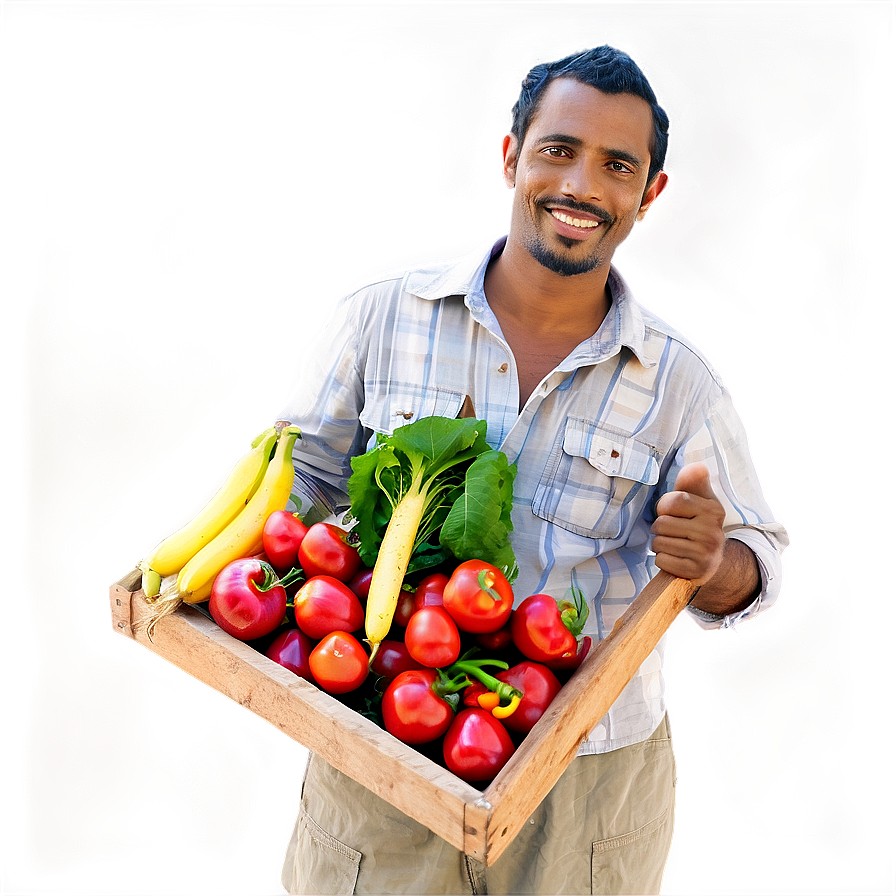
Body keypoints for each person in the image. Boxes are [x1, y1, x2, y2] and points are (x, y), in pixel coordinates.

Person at [275, 45, 790, 895]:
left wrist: (714, 564)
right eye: (559, 150)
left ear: (648, 195)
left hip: (589, 783)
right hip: (386, 734)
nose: (583, 186)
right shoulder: (380, 319)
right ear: (511, 156)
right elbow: (297, 484)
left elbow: (754, 564)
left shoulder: (679, 383)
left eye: (617, 166)